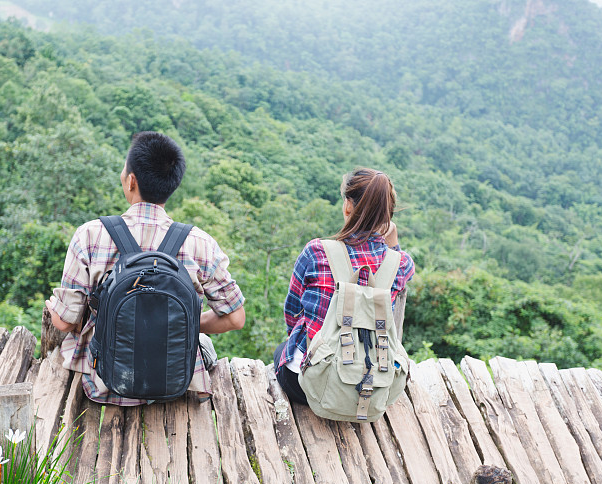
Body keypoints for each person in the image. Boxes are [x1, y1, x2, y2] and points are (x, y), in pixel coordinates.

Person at [46, 132, 246, 405]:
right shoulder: (201, 244)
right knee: (206, 347)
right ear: (172, 185)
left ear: (131, 181)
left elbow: (64, 321)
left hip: (102, 384)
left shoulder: (90, 235)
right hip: (174, 385)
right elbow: (235, 318)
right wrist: (171, 322)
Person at [274, 167, 414, 404]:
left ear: (348, 206)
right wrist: (394, 245)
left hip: (307, 385)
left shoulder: (316, 252)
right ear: (388, 215)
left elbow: (291, 311)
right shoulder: (400, 264)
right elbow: (401, 269)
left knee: (283, 349)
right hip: (371, 388)